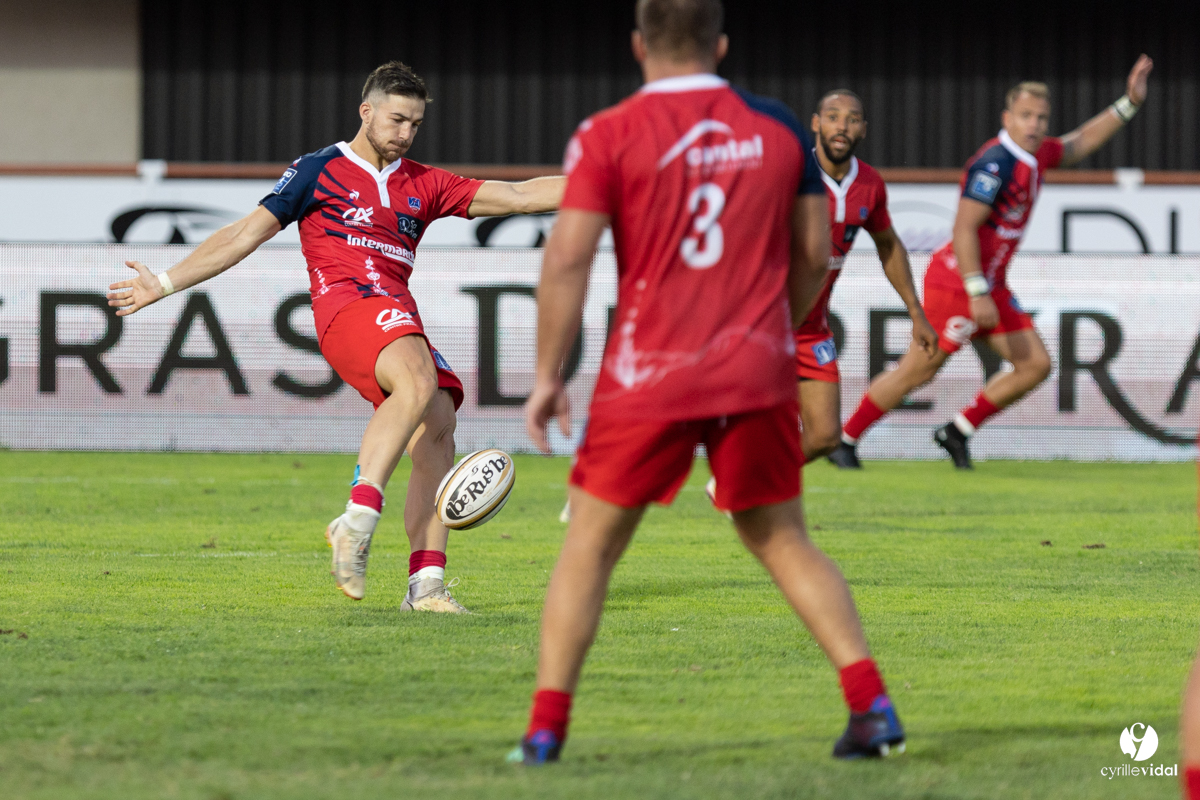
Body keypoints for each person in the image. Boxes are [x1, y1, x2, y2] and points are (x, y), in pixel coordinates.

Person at [512, 0, 904, 765]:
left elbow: (566, 259)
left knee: (590, 547)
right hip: (754, 369)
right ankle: (872, 706)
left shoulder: (607, 132)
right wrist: (773, 329)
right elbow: (815, 253)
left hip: (648, 373)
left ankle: (544, 733)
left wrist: (546, 376)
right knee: (783, 539)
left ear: (639, 45)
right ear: (721, 45)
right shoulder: (778, 127)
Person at [107, 61, 565, 612]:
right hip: (346, 308)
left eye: (415, 124)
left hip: (396, 314)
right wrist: (164, 283)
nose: (405, 133)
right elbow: (244, 234)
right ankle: (357, 519)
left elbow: (518, 196)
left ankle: (425, 587)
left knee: (439, 421)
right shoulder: (318, 170)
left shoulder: (425, 183)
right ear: (366, 111)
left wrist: (607, 184)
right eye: (396, 120)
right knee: (418, 382)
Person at [829, 55, 1155, 470]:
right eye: (1026, 116)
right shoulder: (994, 164)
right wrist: (976, 289)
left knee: (1034, 365)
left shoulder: (1037, 155)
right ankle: (845, 440)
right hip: (959, 285)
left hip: (991, 286)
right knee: (918, 371)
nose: (1034, 124)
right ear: (1007, 118)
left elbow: (1079, 143)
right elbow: (964, 228)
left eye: (1041, 117)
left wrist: (1129, 103)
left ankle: (957, 431)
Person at [797, 89, 935, 462]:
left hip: (811, 331)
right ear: (816, 124)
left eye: (852, 119)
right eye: (833, 117)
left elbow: (888, 245)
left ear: (863, 130)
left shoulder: (870, 184)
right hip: (766, 324)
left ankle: (735, 485)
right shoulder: (792, 175)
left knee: (824, 436)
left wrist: (916, 312)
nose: (842, 126)